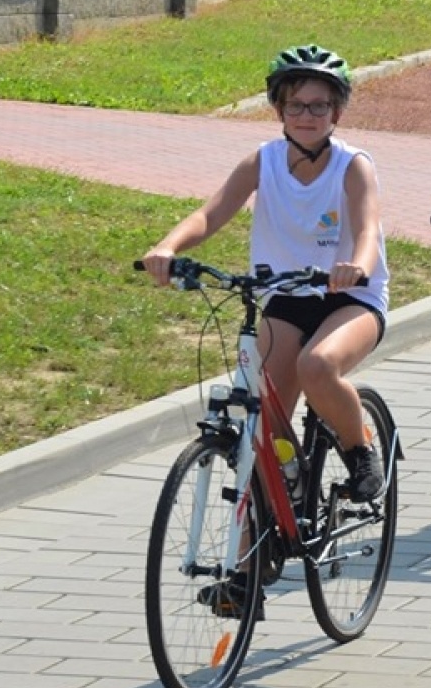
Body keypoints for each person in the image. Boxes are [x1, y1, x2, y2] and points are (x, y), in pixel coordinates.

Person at [141, 44, 389, 503]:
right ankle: (282, 494)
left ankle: (360, 448)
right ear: (278, 108)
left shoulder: (353, 164)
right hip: (287, 296)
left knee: (316, 366)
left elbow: (368, 228)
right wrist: (167, 246)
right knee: (262, 408)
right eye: (295, 104)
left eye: (319, 105)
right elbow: (211, 214)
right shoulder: (264, 160)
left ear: (336, 110)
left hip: (350, 297)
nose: (307, 115)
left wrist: (358, 266)